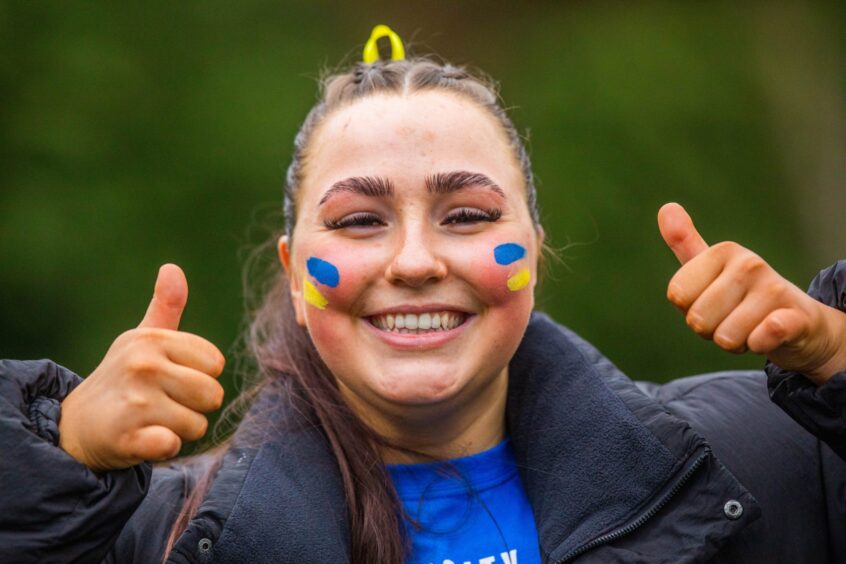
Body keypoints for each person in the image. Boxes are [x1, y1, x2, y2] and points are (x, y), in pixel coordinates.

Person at [2, 26, 846, 564]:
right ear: (297, 276)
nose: (413, 260)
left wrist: (838, 361)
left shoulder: (767, 459)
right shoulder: (158, 538)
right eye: (361, 220)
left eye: (468, 214)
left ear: (534, 256)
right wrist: (58, 461)